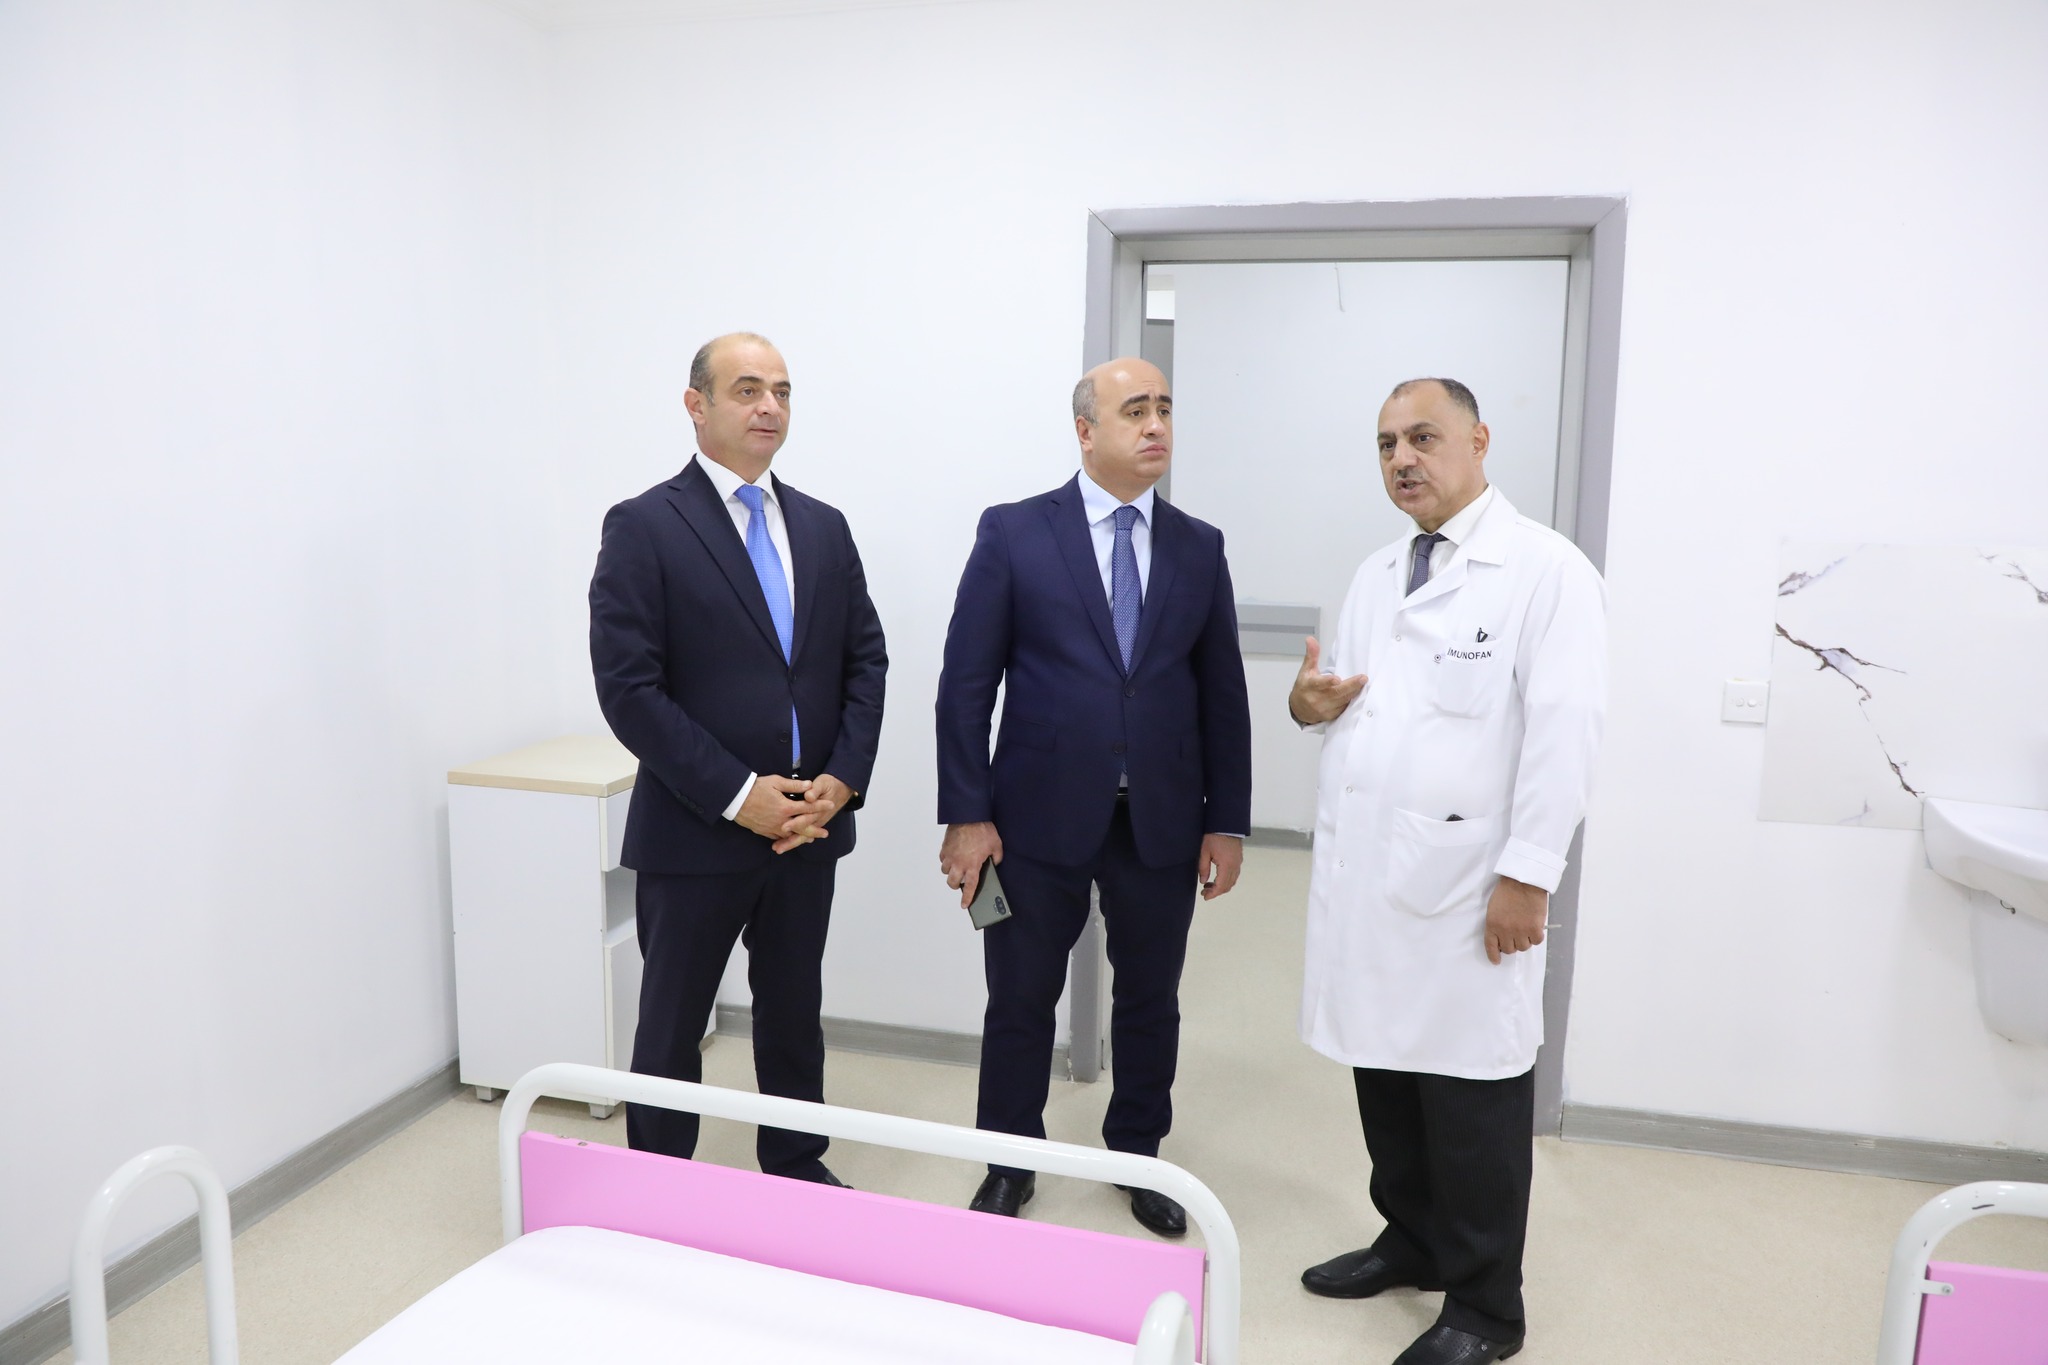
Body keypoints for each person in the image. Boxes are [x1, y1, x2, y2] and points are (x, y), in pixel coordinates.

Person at [1290, 377, 1607, 1365]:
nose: (1401, 459)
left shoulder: (1544, 571)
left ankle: (1483, 1305)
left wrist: (1529, 875)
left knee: (1471, 1095)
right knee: (1385, 1074)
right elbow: (1349, 703)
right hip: (1376, 879)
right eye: (1386, 443)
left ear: (1478, 440)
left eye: (1422, 437)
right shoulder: (1377, 572)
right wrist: (1306, 706)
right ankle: (1413, 1240)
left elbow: (1565, 733)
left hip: (1470, 885)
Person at [934, 356, 1252, 1236]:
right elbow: (966, 685)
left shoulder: (1198, 545)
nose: (1156, 426)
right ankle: (1010, 1160)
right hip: (1030, 820)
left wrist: (1226, 819)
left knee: (1150, 999)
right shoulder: (1014, 532)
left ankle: (1136, 1155)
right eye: (1134, 410)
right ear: (1085, 430)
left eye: (1164, 409)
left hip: (1161, 819)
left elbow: (1222, 693)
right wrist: (967, 813)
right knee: (1020, 997)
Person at [589, 332, 887, 1184]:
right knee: (671, 1024)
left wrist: (842, 780)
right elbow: (630, 690)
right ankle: (661, 1187)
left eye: (782, 392)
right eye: (748, 389)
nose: (769, 407)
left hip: (808, 828)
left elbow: (865, 661)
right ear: (697, 405)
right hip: (696, 830)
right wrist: (737, 793)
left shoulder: (824, 527)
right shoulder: (646, 525)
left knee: (794, 1013)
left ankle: (795, 1165)